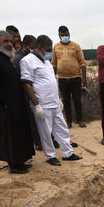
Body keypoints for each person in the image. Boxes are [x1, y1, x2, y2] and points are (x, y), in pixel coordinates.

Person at [20, 35, 81, 166]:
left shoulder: (46, 62)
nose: (49, 53)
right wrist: (36, 105)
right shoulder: (27, 61)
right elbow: (27, 84)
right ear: (39, 48)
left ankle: (67, 153)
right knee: (46, 132)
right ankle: (50, 156)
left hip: (54, 102)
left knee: (61, 128)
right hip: (42, 104)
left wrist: (59, 98)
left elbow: (52, 81)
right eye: (47, 50)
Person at [0, 30, 34, 174]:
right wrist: (4, 102)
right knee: (10, 134)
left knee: (18, 132)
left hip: (15, 103)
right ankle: (13, 165)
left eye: (10, 42)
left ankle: (20, 160)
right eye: (5, 41)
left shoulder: (6, 57)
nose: (9, 44)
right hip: (6, 106)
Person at [52, 26, 87, 129]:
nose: (64, 37)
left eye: (66, 35)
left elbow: (82, 62)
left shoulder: (76, 46)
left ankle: (80, 120)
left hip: (75, 78)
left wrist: (84, 78)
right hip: (62, 79)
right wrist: (52, 78)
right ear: (59, 35)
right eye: (62, 35)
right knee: (66, 101)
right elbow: (53, 63)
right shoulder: (56, 47)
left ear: (69, 34)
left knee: (77, 100)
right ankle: (68, 122)